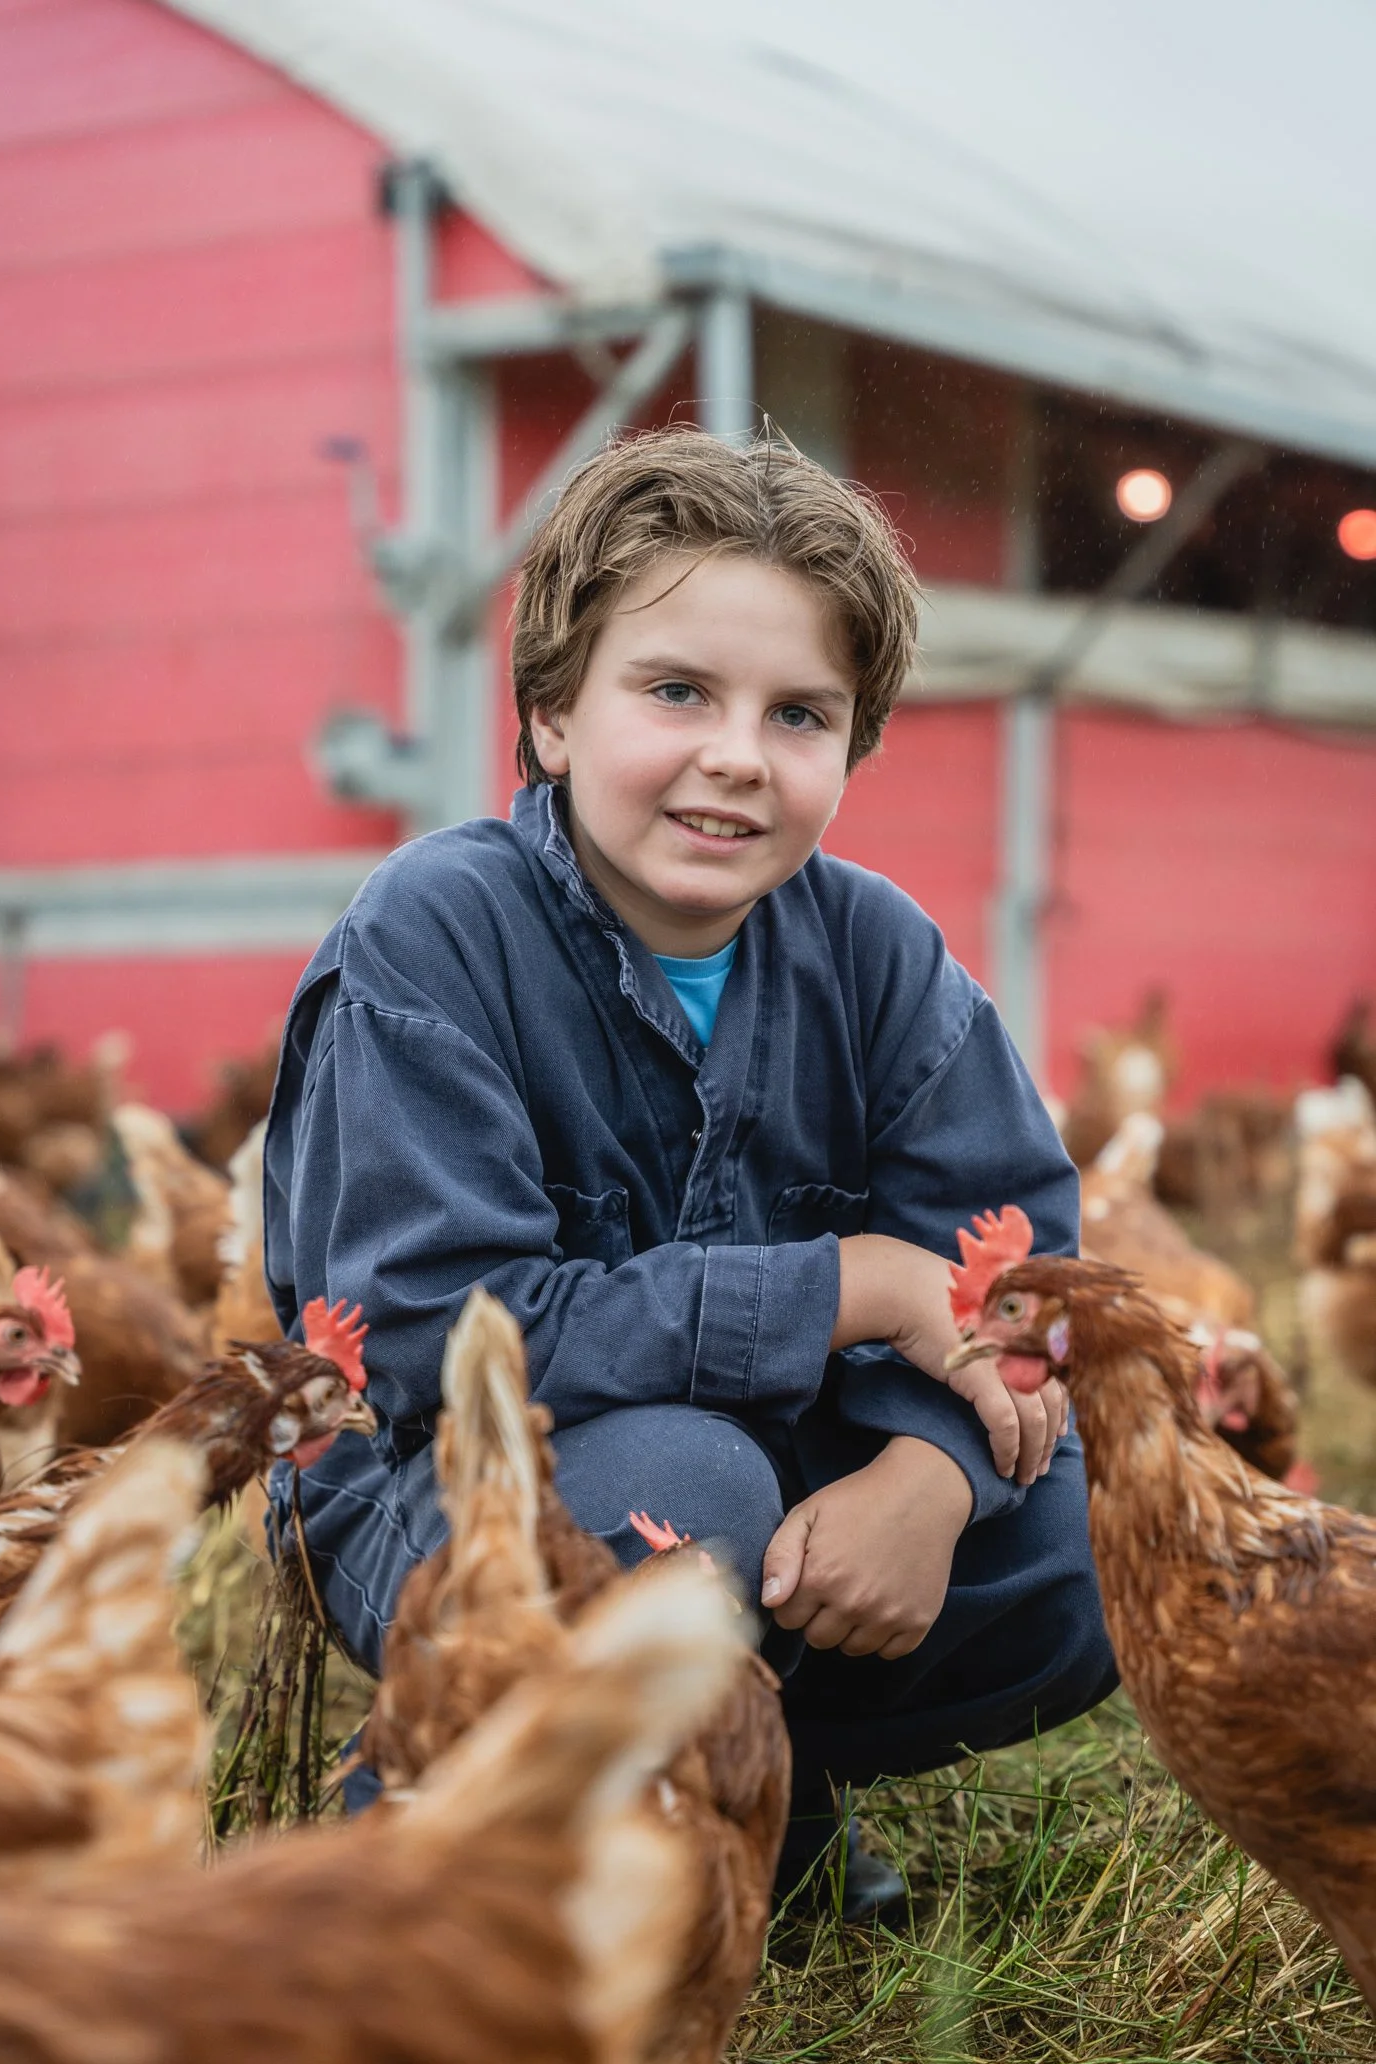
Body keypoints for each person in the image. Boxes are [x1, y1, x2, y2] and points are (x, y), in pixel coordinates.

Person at [264, 428, 1116, 1915]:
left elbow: (1015, 1255)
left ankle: (750, 1792)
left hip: (775, 1478)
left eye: (800, 713)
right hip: (449, 1484)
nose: (737, 753)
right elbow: (434, 1332)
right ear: (547, 717)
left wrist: (927, 1468)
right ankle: (419, 1829)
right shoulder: (433, 936)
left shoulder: (875, 951)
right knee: (682, 1492)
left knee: (1085, 1538)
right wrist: (852, 1283)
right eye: (676, 692)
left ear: (851, 749)